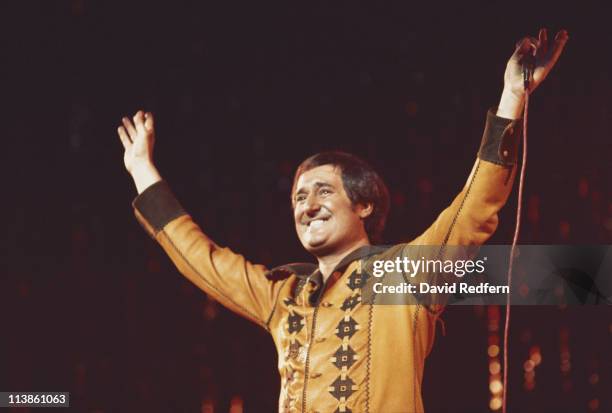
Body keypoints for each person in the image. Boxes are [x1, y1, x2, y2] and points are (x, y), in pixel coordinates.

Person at [117, 29, 568, 413]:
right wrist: (142, 170)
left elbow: (472, 211)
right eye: (298, 197)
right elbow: (204, 260)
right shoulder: (283, 295)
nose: (306, 205)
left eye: (323, 191)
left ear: (365, 206)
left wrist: (512, 95)